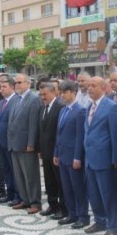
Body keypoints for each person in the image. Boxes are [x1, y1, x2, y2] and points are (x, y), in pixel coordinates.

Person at [83, 76, 117, 235]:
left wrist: (116, 159)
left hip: (105, 159)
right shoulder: (89, 106)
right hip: (90, 158)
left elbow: (116, 135)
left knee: (108, 194)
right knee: (93, 193)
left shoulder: (111, 107)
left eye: (94, 85)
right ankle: (100, 220)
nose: (89, 88)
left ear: (104, 88)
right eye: (88, 85)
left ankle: (113, 226)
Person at [53, 80, 88, 228]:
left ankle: (83, 216)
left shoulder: (80, 111)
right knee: (66, 188)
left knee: (78, 188)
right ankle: (72, 213)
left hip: (73, 157)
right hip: (62, 155)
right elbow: (59, 134)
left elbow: (80, 137)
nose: (62, 95)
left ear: (73, 93)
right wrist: (56, 153)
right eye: (61, 92)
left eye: (65, 92)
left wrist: (77, 157)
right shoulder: (63, 110)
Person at [8, 74, 42, 214]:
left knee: (30, 176)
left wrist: (31, 143)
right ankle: (25, 199)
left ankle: (35, 202)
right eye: (15, 82)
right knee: (19, 175)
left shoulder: (33, 99)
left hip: (26, 145)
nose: (17, 85)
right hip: (14, 144)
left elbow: (34, 124)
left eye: (20, 82)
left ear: (28, 83)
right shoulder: (16, 98)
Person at [38, 82, 65, 219]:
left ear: (53, 92)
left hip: (56, 152)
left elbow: (60, 133)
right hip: (45, 152)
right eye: (41, 94)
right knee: (49, 181)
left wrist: (57, 152)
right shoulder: (43, 108)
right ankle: (52, 205)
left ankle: (63, 208)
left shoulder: (60, 107)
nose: (43, 97)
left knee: (60, 181)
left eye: (45, 94)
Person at [0, 78, 20, 205]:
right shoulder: (0, 103)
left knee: (14, 171)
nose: (1, 89)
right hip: (1, 142)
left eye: (4, 86)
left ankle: (17, 195)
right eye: (0, 87)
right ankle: (9, 194)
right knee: (6, 170)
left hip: (11, 143)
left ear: (12, 87)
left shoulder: (16, 101)